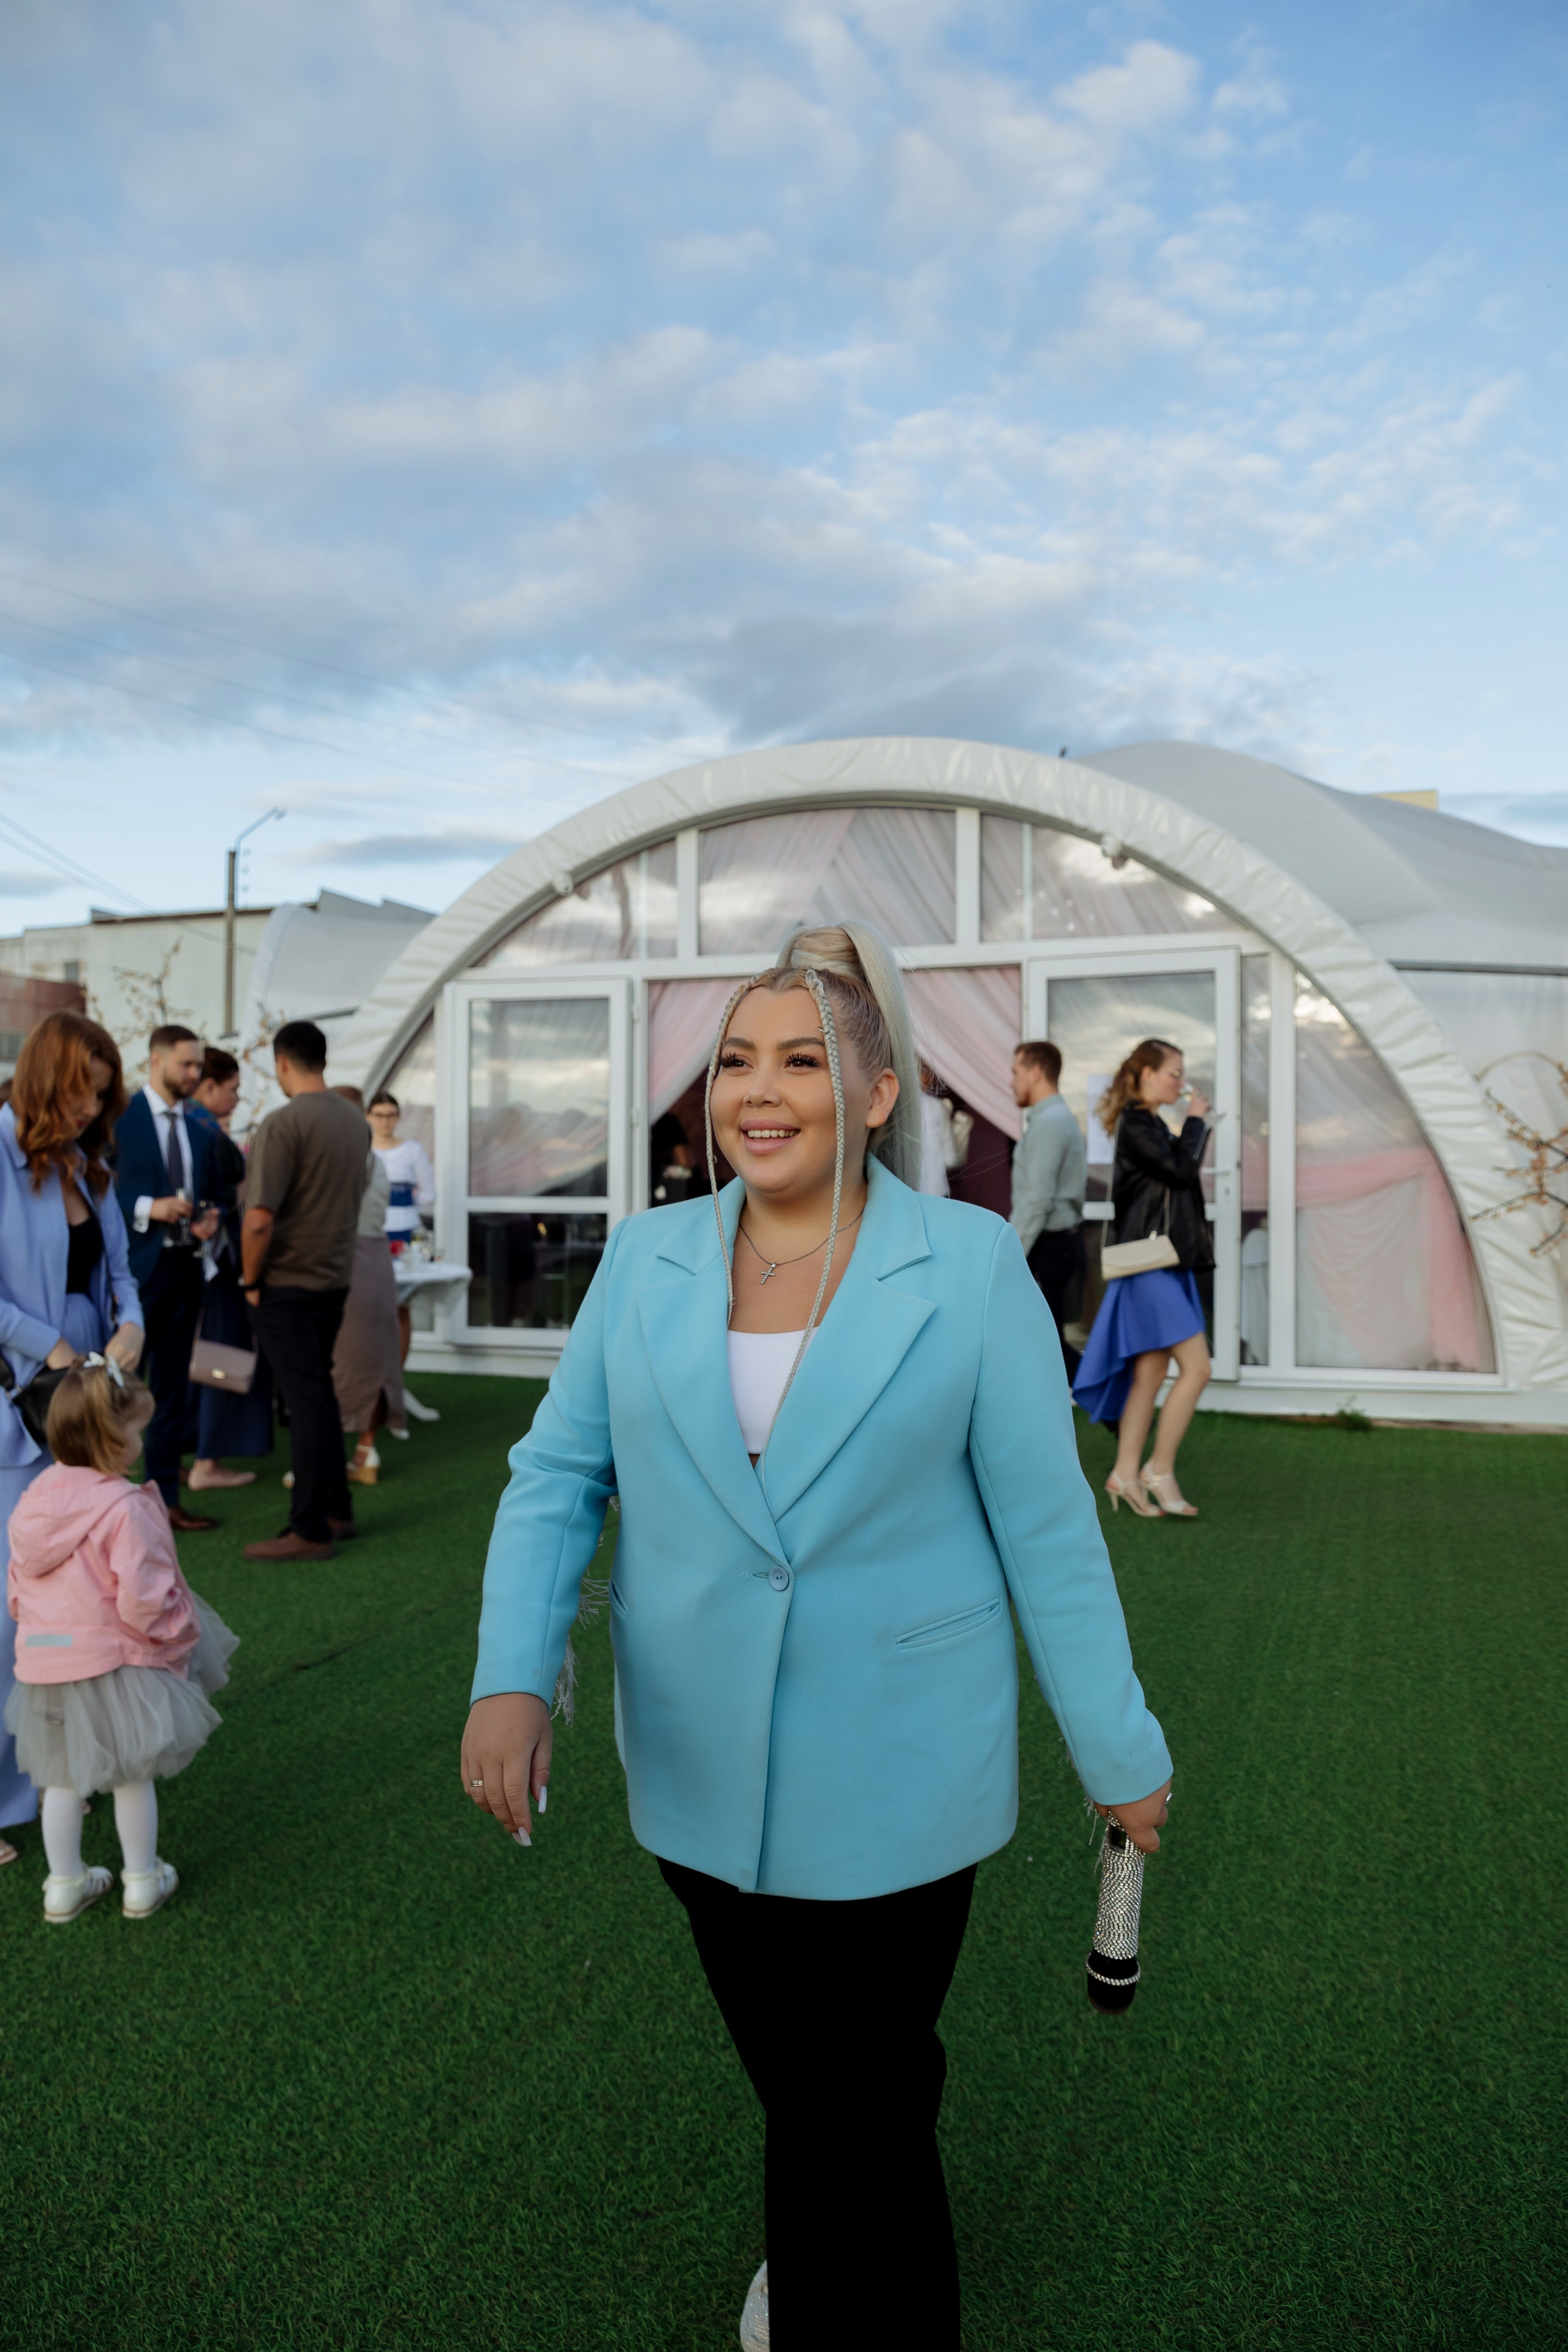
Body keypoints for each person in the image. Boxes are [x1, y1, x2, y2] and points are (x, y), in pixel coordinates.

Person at [461, 922, 1172, 2352]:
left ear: (875, 1091)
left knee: (859, 2093)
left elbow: (1046, 1528)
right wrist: (510, 1675)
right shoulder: (648, 1256)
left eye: (799, 1058)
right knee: (815, 2079)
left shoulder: (967, 1266)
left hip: (902, 1768)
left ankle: (857, 2291)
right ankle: (815, 2234)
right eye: (732, 1060)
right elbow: (556, 1474)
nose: (756, 1089)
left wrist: (1119, 1747)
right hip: (695, 1767)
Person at [4, 1357, 237, 1923]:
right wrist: (180, 1638)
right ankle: (141, 1879)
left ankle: (63, 1885)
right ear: (111, 1437)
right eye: (136, 1428)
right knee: (133, 1774)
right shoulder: (126, 1506)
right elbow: (145, 1600)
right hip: (116, 1662)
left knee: (62, 1778)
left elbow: (16, 1590)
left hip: (46, 1664)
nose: (144, 1437)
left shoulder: (32, 1501)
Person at [0, 1011, 143, 1868]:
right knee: (9, 1611)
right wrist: (38, 1342)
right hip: (22, 1406)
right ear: (45, 1077)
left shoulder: (90, 1163)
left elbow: (120, 1267)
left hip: (85, 1409)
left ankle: (53, 1778)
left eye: (102, 1091)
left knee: (74, 1606)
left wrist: (129, 1329)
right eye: (80, 1090)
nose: (92, 1106)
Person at [240, 1021, 370, 1562]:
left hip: (288, 1280)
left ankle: (310, 1527)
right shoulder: (354, 1122)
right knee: (319, 1392)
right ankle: (337, 1510)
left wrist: (249, 1281)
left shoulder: (283, 1123)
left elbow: (259, 1219)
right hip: (334, 1276)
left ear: (282, 1063)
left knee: (305, 1400)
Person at [1072, 1037, 1213, 1518]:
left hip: (1161, 1261)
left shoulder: (1149, 1123)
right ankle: (1160, 1470)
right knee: (1198, 1368)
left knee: (1151, 1373)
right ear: (1146, 1075)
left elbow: (1177, 1176)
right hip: (1150, 1261)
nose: (1181, 1081)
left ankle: (1124, 1473)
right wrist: (1195, 1120)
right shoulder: (1137, 1122)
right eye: (1174, 1072)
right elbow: (1179, 1172)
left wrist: (1187, 1124)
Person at [112, 1024, 222, 1534]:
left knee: (172, 1391)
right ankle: (111, 1502)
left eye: (199, 1066)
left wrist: (206, 1219)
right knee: (115, 1389)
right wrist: (148, 1208)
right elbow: (98, 1193)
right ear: (157, 1061)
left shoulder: (199, 1126)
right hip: (134, 1277)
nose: (196, 1074)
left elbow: (210, 1191)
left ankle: (165, 1500)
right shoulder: (119, 1119)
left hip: (185, 1270)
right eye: (187, 1065)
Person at [185, 1045, 273, 1493]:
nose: (237, 1099)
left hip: (193, 1270)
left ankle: (197, 1450)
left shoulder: (185, 1126)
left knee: (198, 1359)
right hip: (217, 1267)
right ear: (208, 1086)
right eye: (233, 1089)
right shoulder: (205, 1132)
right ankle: (207, 1460)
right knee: (220, 1359)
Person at [331, 1085, 407, 1484]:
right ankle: (367, 1449)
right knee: (375, 1358)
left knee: (335, 1361)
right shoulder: (374, 1158)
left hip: (343, 1260)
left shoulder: (339, 1156)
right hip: (378, 1260)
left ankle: (325, 1461)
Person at [1009, 1039, 1087, 1381]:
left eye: (1016, 1072)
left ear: (1036, 1072)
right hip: (1054, 1244)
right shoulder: (1053, 1118)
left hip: (1048, 1245)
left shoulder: (1049, 1123)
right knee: (1046, 1342)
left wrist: (1011, 1251)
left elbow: (1037, 1199)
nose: (1011, 1081)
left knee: (1049, 1346)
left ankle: (1118, 1401)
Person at [366, 1088, 439, 1423]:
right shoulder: (363, 1151)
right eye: (379, 1115)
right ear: (369, 1117)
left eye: (391, 1115)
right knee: (370, 1306)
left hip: (404, 1234)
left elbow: (429, 1195)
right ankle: (371, 1381)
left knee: (400, 1307)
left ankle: (396, 1382)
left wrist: (402, 1197)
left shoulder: (411, 1151)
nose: (385, 1122)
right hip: (370, 1232)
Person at [916, 1061, 973, 1199]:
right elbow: (950, 1157)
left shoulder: (896, 1106)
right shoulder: (936, 1107)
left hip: (907, 1187)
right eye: (928, 1075)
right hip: (936, 1188)